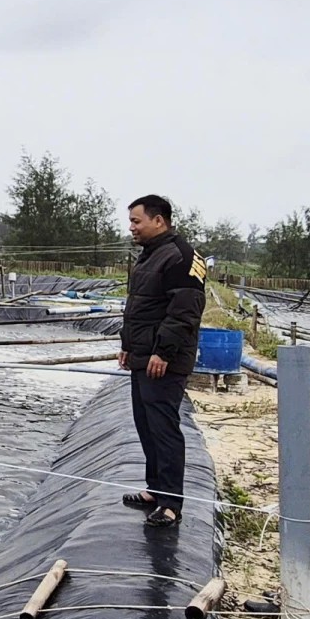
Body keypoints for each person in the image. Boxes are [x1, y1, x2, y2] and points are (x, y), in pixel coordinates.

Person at [116, 195, 206, 528]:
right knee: (146, 424)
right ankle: (155, 488)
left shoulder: (181, 256)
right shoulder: (150, 255)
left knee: (164, 429)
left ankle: (170, 503)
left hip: (164, 360)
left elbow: (184, 312)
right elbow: (139, 307)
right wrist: (128, 346)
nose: (131, 227)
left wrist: (163, 352)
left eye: (136, 221)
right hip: (143, 355)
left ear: (158, 220)